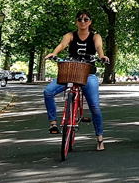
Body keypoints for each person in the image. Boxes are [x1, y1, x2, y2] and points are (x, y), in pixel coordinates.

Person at [43, 10, 109, 151]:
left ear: (90, 22)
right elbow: (62, 45)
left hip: (88, 74)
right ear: (76, 22)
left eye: (86, 19)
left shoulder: (95, 37)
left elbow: (99, 48)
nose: (82, 22)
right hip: (70, 72)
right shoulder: (71, 35)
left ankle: (100, 138)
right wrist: (54, 53)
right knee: (48, 92)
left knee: (94, 106)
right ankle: (53, 123)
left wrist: (102, 56)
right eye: (80, 19)